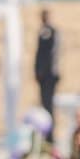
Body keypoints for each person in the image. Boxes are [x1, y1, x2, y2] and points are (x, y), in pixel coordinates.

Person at [34, 8, 60, 141]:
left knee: (49, 105)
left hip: (49, 74)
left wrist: (43, 71)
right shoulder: (42, 31)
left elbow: (51, 54)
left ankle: (50, 135)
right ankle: (45, 133)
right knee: (44, 104)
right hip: (43, 74)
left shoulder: (52, 32)